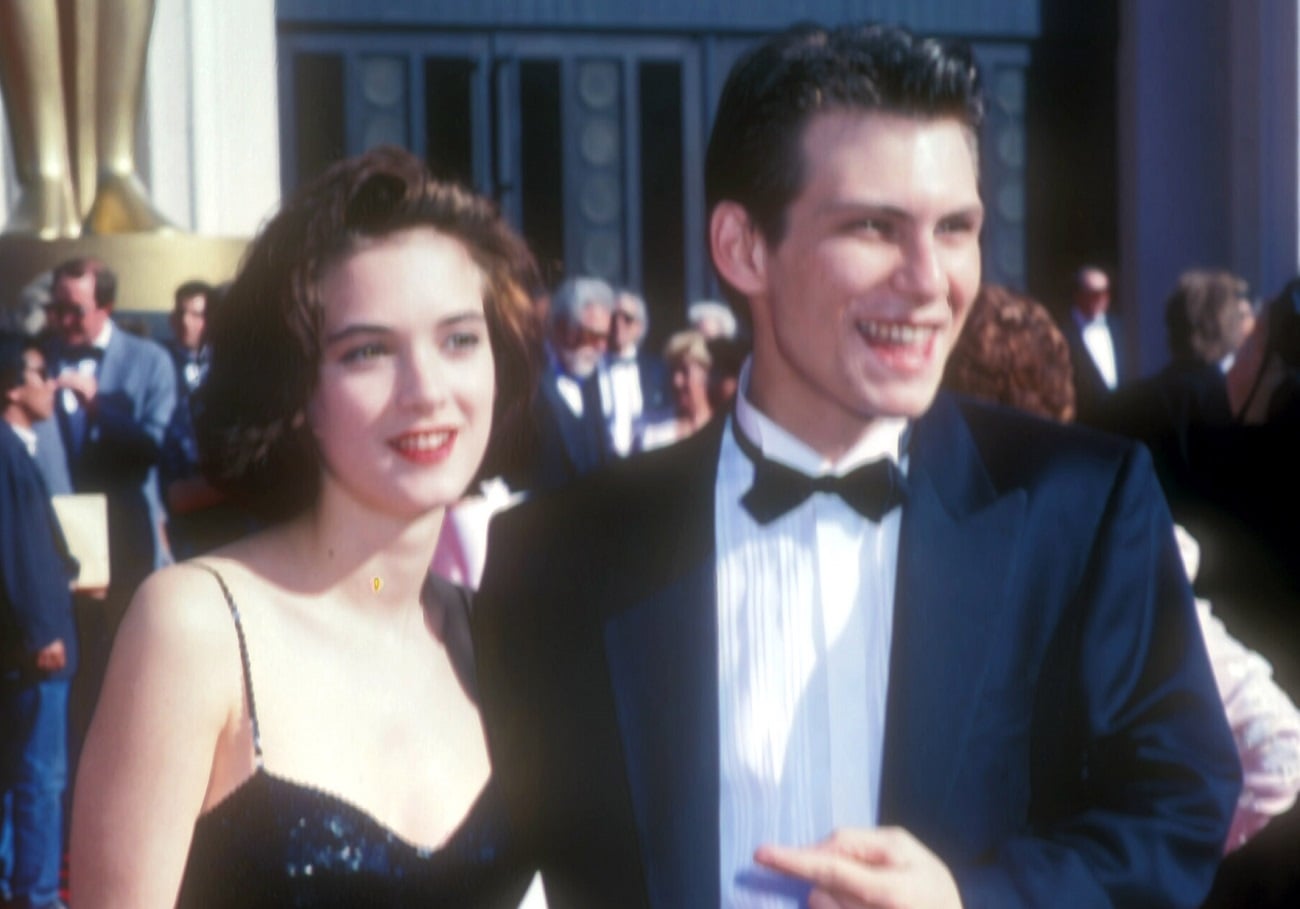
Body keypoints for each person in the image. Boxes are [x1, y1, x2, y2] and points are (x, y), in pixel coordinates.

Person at [473, 22, 1239, 909]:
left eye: (955, 228)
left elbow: (1176, 809)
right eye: (875, 226)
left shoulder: (1081, 507)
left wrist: (972, 900)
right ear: (743, 247)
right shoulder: (562, 553)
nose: (929, 279)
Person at [69, 146, 540, 907]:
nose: (427, 391)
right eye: (368, 352)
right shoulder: (195, 629)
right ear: (298, 393)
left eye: (458, 339)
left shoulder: (491, 640)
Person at [0, 333, 78, 909]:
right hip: (36, 646)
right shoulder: (6, 452)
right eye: (39, 373)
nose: (52, 384)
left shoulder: (17, 448)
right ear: (11, 386)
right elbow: (13, 548)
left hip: (34, 636)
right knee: (40, 778)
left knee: (19, 772)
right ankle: (38, 894)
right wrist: (40, 630)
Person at [523, 276, 615, 492]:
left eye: (605, 338)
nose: (602, 348)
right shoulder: (526, 382)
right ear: (561, 327)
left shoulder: (590, 375)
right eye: (592, 335)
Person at [602, 287, 669, 457]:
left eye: (627, 318)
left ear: (639, 327)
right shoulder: (592, 369)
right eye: (613, 317)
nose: (618, 324)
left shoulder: (658, 371)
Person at [1059, 264, 1124, 425]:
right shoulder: (1063, 334)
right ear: (1078, 295)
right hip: (1084, 423)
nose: (1101, 298)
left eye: (1105, 292)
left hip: (1119, 421)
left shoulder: (1119, 328)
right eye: (1095, 293)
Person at [635, 329, 714, 451]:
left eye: (684, 371)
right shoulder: (653, 431)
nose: (676, 381)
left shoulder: (724, 426)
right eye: (672, 371)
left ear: (705, 374)